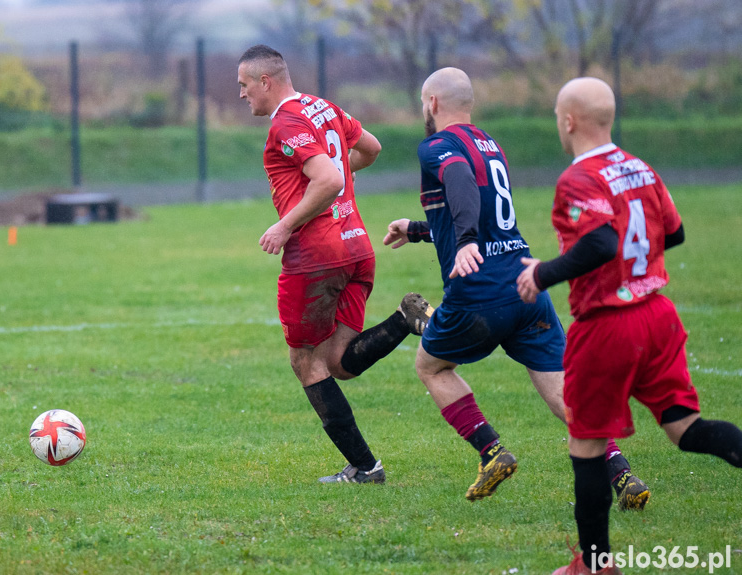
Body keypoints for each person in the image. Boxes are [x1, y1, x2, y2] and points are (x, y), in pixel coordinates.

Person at [383, 68, 648, 507]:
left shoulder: (437, 146)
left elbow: (460, 184)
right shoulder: (490, 144)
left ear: (431, 103)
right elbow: (481, 212)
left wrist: (465, 242)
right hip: (527, 284)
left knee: (430, 366)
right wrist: (416, 229)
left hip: (480, 291)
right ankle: (621, 473)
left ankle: (492, 452)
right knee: (564, 391)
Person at [515, 77, 742, 575]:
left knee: (587, 444)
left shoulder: (578, 179)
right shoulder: (639, 167)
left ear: (569, 121)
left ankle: (595, 567)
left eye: (558, 116)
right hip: (658, 318)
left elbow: (599, 244)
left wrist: (542, 273)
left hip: (608, 326)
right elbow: (674, 232)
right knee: (685, 429)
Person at [237, 44, 433, 484]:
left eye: (244, 85)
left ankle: (366, 468)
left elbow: (328, 178)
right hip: (356, 247)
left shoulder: (286, 122)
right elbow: (371, 149)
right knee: (339, 362)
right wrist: (341, 174)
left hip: (316, 258)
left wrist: (285, 226)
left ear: (265, 82)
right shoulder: (321, 106)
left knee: (305, 362)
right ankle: (405, 319)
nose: (242, 94)